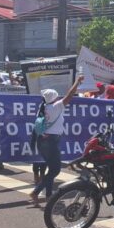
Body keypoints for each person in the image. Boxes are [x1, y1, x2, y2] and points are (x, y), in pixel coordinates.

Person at [28, 75, 83, 205]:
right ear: (54, 99)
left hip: (43, 141)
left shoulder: (43, 108)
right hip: (51, 142)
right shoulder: (55, 107)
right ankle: (35, 192)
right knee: (55, 170)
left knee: (50, 170)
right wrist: (77, 82)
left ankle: (48, 196)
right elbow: (69, 95)